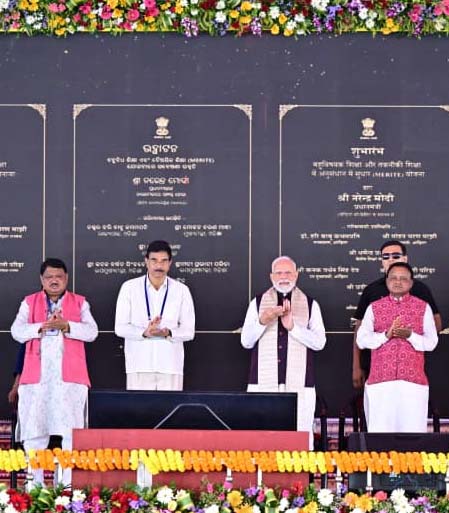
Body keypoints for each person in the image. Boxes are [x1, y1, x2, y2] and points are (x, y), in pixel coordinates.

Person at [10, 258, 98, 485]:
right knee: (35, 434)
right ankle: (35, 487)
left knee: (70, 435)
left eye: (59, 276)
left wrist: (66, 326)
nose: (54, 281)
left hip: (69, 381)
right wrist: (42, 326)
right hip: (36, 381)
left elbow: (92, 332)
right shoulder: (29, 302)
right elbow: (17, 331)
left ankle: (67, 487)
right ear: (42, 279)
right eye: (49, 277)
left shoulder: (80, 303)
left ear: (66, 278)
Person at [241, 256, 326, 447]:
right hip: (261, 383)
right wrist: (262, 321)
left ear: (296, 275)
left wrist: (293, 327)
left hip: (301, 384)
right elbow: (246, 341)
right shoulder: (257, 303)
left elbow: (320, 342)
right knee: (261, 438)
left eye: (288, 272)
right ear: (271, 276)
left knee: (299, 436)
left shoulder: (311, 304)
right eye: (279, 273)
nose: (284, 277)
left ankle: (301, 468)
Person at [357, 262, 438, 432]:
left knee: (412, 436)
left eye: (403, 278)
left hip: (413, 384)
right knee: (380, 436)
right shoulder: (374, 307)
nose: (398, 282)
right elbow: (361, 340)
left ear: (411, 283)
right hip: (380, 383)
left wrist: (410, 335)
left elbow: (431, 343)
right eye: (393, 278)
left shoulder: (423, 307)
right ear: (387, 281)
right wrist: (385, 336)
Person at [352, 240, 441, 389]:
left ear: (405, 258)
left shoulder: (420, 289)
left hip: (413, 370)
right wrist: (356, 366)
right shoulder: (371, 291)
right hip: (377, 369)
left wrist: (411, 335)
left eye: (395, 255)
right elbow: (359, 331)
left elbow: (435, 326)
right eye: (385, 257)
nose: (390, 260)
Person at [115, 240, 195, 391]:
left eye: (164, 261)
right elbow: (120, 328)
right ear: (146, 261)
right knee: (138, 407)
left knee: (171, 407)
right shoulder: (129, 288)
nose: (159, 265)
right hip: (139, 364)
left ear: (170, 263)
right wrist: (144, 332)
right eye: (154, 260)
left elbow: (189, 331)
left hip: (170, 365)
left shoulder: (181, 290)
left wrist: (169, 333)